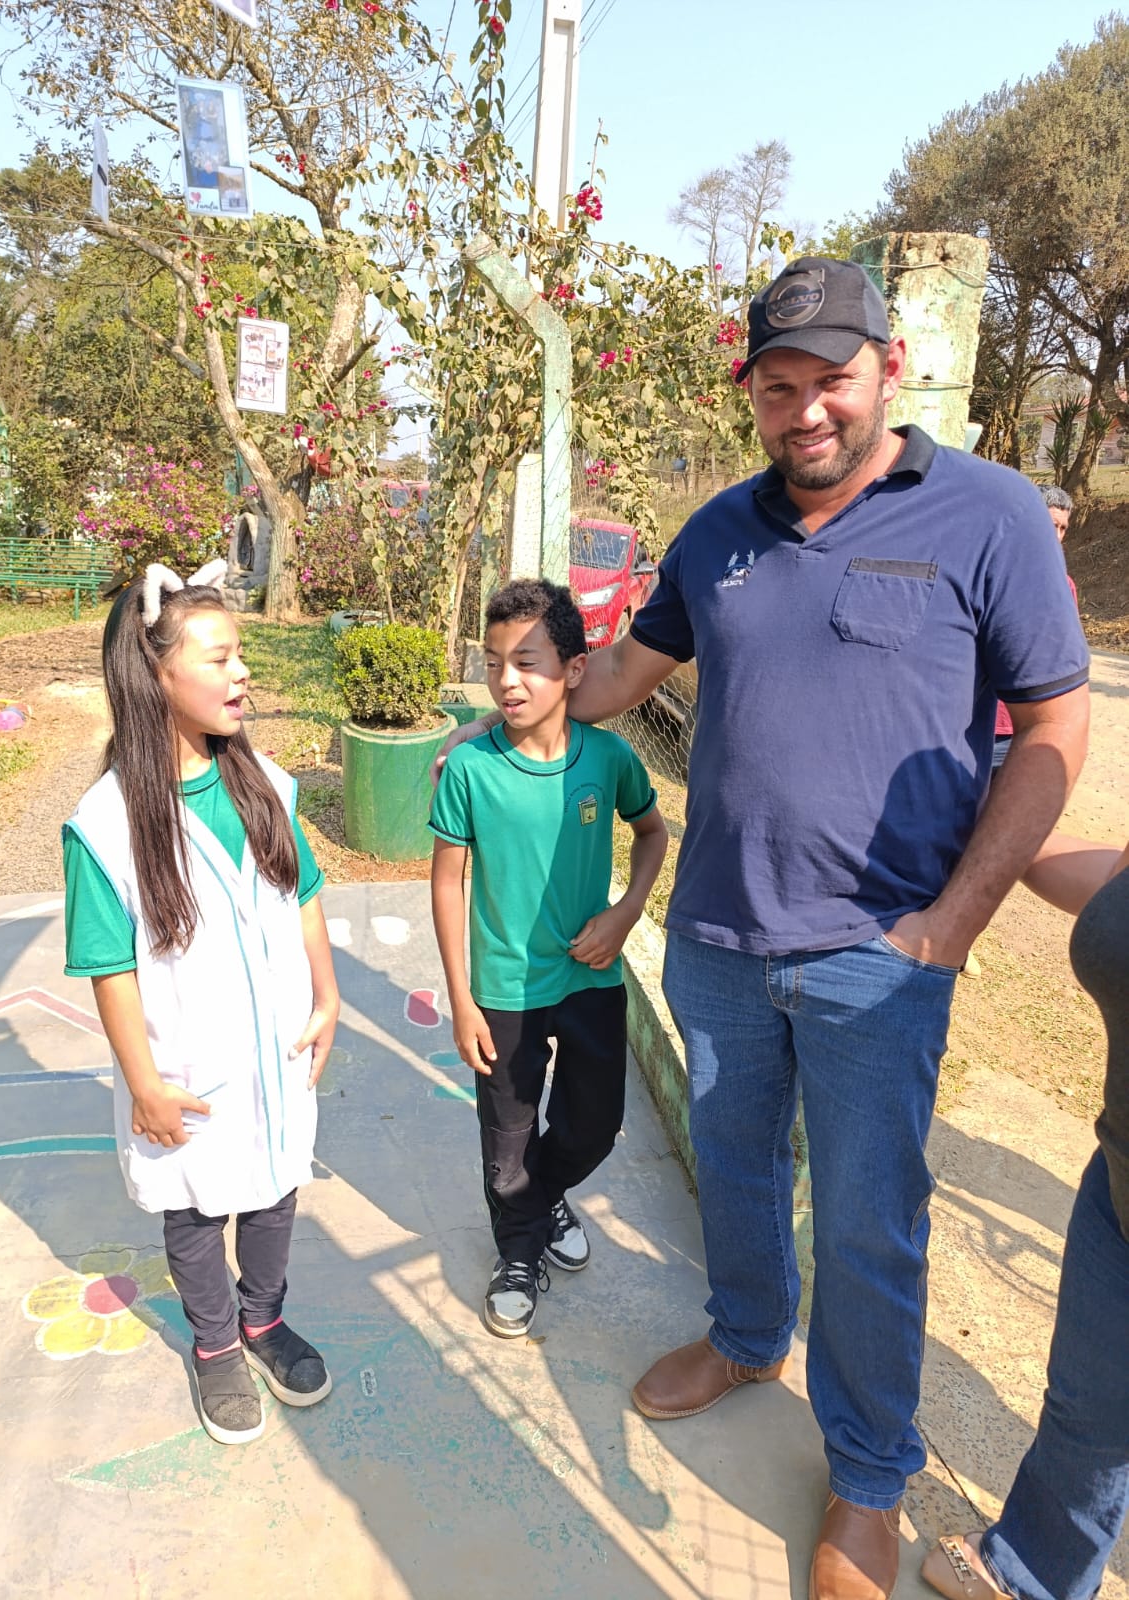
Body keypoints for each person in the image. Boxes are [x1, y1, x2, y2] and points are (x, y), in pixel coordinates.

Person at [436, 258, 1089, 1598]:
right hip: (724, 940)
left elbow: (1058, 724)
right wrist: (529, 698)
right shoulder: (720, 529)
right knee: (735, 1173)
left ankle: (864, 1479)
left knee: (866, 1222)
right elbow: (626, 669)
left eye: (830, 382)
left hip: (881, 953)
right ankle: (744, 1336)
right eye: (778, 388)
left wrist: (952, 929)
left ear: (887, 367)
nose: (805, 414)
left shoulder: (989, 514)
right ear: (753, 392)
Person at [63, 559, 340, 1446]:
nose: (242, 673)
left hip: (277, 1050)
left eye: (241, 656)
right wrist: (143, 1081)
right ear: (156, 675)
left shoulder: (261, 778)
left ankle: (264, 1318)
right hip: (186, 1067)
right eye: (219, 659)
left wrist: (328, 995)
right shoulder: (105, 825)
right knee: (195, 1207)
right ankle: (216, 1344)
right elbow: (110, 966)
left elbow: (303, 891)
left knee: (274, 1190)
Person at [429, 578, 667, 1339]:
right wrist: (462, 999)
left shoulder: (609, 758)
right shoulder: (470, 769)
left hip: (589, 973)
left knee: (596, 1123)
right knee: (506, 1148)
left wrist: (625, 914)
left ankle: (546, 1193)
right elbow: (446, 882)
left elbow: (653, 833)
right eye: (495, 661)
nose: (507, 680)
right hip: (503, 987)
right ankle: (518, 1252)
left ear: (574, 669)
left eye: (528, 662)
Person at [923, 828, 1129, 1600]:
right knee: (1088, 1414)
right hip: (1120, 1187)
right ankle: (1028, 1573)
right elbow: (1113, 885)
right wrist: (996, 829)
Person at [992, 485, 1077, 770]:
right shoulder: (987, 572)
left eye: (1062, 528)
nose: (1056, 536)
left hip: (1024, 730)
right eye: (1050, 524)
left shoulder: (1064, 587)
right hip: (974, 726)